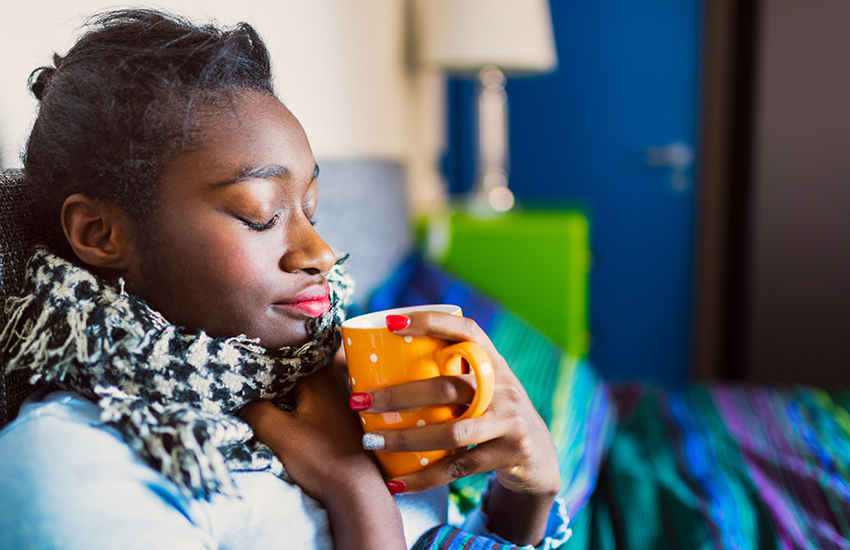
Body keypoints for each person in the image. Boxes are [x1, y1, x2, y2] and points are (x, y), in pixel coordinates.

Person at [0, 9, 568, 550]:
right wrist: (357, 492)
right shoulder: (70, 464)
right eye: (260, 214)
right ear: (100, 233)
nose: (321, 253)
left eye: (312, 210)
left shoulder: (337, 383)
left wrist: (526, 495)